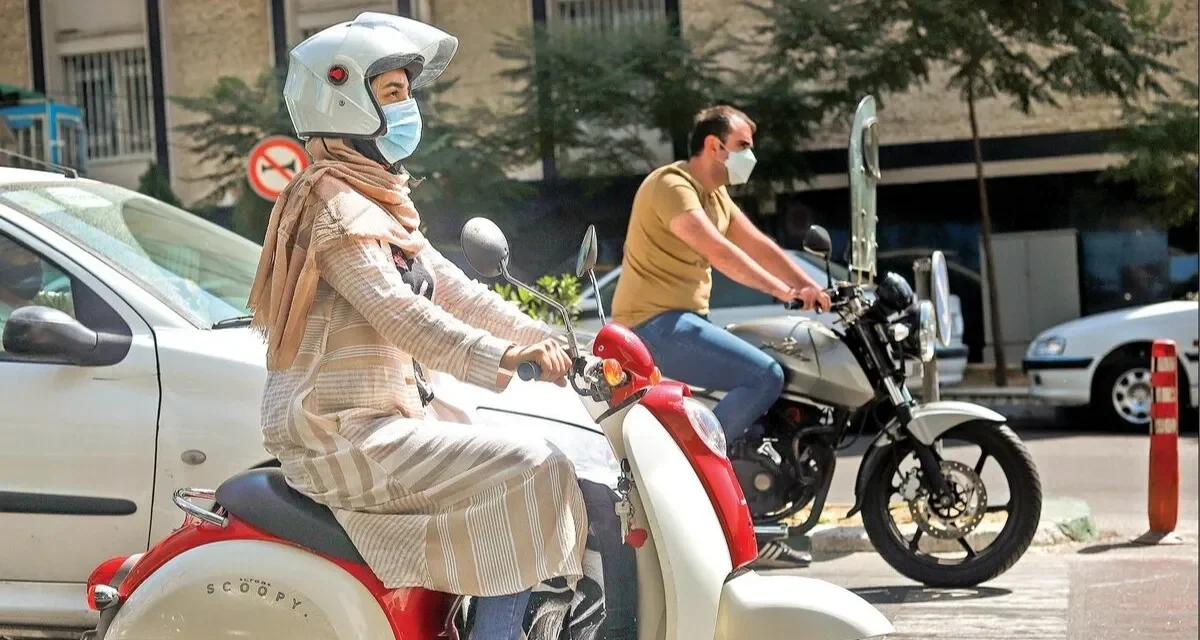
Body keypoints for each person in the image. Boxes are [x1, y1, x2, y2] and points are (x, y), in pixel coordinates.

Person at [249, 14, 588, 640]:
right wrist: (506, 358)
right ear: (345, 100)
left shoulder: (376, 202)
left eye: (407, 94)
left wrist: (555, 341)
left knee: (540, 453)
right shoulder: (334, 206)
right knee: (531, 466)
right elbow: (399, 313)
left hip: (386, 420)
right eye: (393, 94)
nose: (409, 111)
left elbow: (456, 292)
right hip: (340, 433)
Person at [610, 105, 830, 569]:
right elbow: (719, 251)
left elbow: (761, 246)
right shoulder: (673, 186)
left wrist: (815, 287)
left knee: (773, 371)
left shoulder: (716, 197)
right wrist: (785, 293)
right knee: (764, 375)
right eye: (743, 146)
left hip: (685, 322)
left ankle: (755, 500)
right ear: (714, 146)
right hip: (653, 327)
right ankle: (697, 476)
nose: (751, 156)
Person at [0, 236, 73, 352]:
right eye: (21, 252)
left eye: (33, 252)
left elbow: (78, 304)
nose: (34, 259)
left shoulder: (34, 301)